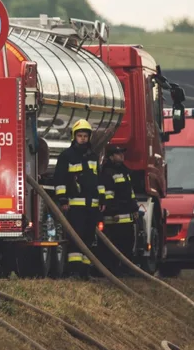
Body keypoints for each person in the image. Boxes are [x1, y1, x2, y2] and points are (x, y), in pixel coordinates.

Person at [53, 119, 102, 279]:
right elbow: (60, 179)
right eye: (80, 136)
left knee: (88, 239)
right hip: (75, 206)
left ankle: (85, 272)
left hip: (92, 206)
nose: (82, 139)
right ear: (74, 137)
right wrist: (63, 200)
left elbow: (98, 180)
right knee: (76, 239)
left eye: (85, 136)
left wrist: (102, 199)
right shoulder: (67, 156)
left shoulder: (93, 156)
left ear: (89, 137)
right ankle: (73, 271)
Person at [97, 144, 135, 272]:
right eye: (118, 153)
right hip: (115, 219)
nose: (122, 156)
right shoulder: (107, 172)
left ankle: (126, 270)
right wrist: (113, 212)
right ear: (111, 156)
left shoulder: (124, 171)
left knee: (128, 244)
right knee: (114, 246)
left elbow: (130, 193)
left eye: (122, 153)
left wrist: (134, 209)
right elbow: (108, 195)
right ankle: (113, 270)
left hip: (127, 217)